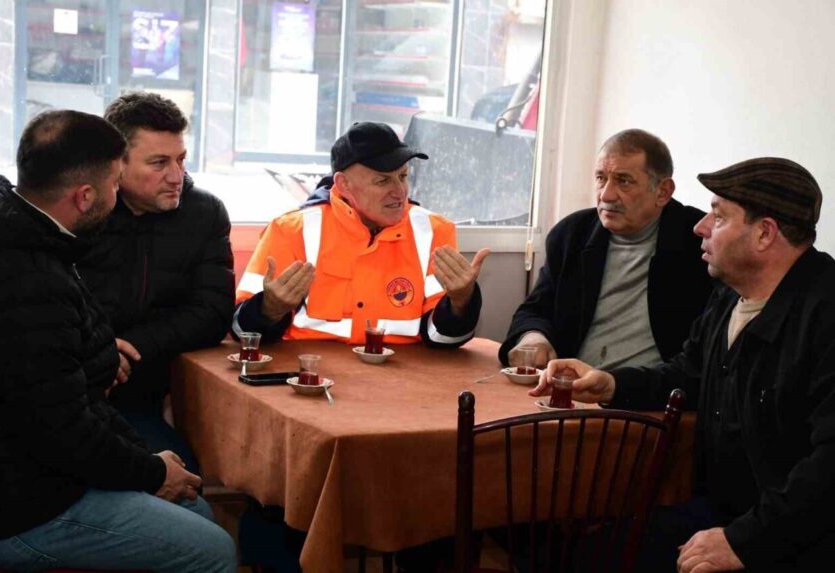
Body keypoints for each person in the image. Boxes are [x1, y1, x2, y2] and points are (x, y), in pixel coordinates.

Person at [533, 157, 834, 571]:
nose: (700, 227)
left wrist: (744, 542)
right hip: (720, 513)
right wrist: (610, 384)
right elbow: (686, 374)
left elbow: (828, 469)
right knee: (573, 553)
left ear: (765, 233)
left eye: (718, 216)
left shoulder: (825, 314)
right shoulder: (729, 296)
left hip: (789, 539)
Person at [0, 110, 235, 571]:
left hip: (37, 464)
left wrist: (148, 462)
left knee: (193, 504)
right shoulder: (28, 278)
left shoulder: (28, 233)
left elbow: (70, 396)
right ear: (85, 196)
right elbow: (61, 430)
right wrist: (151, 471)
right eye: (115, 183)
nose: (176, 176)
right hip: (13, 505)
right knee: (212, 550)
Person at [77, 92, 234, 471]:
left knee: (186, 487)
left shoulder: (205, 213)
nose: (177, 176)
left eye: (181, 160)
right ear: (116, 163)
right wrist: (100, 350)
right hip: (69, 389)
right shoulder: (79, 209)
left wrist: (132, 346)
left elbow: (212, 313)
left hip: (142, 395)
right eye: (159, 163)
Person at [234, 121, 488, 348]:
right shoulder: (290, 231)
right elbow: (239, 331)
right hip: (309, 374)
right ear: (344, 184)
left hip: (404, 378)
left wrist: (461, 303)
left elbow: (442, 339)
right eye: (383, 181)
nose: (399, 191)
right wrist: (269, 309)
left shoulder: (435, 231)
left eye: (403, 176)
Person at [500, 129, 712, 370]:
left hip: (649, 388)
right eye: (600, 178)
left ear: (662, 192)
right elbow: (535, 309)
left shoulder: (700, 240)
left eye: (624, 181)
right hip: (570, 382)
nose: (606, 195)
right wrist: (533, 337)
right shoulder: (572, 234)